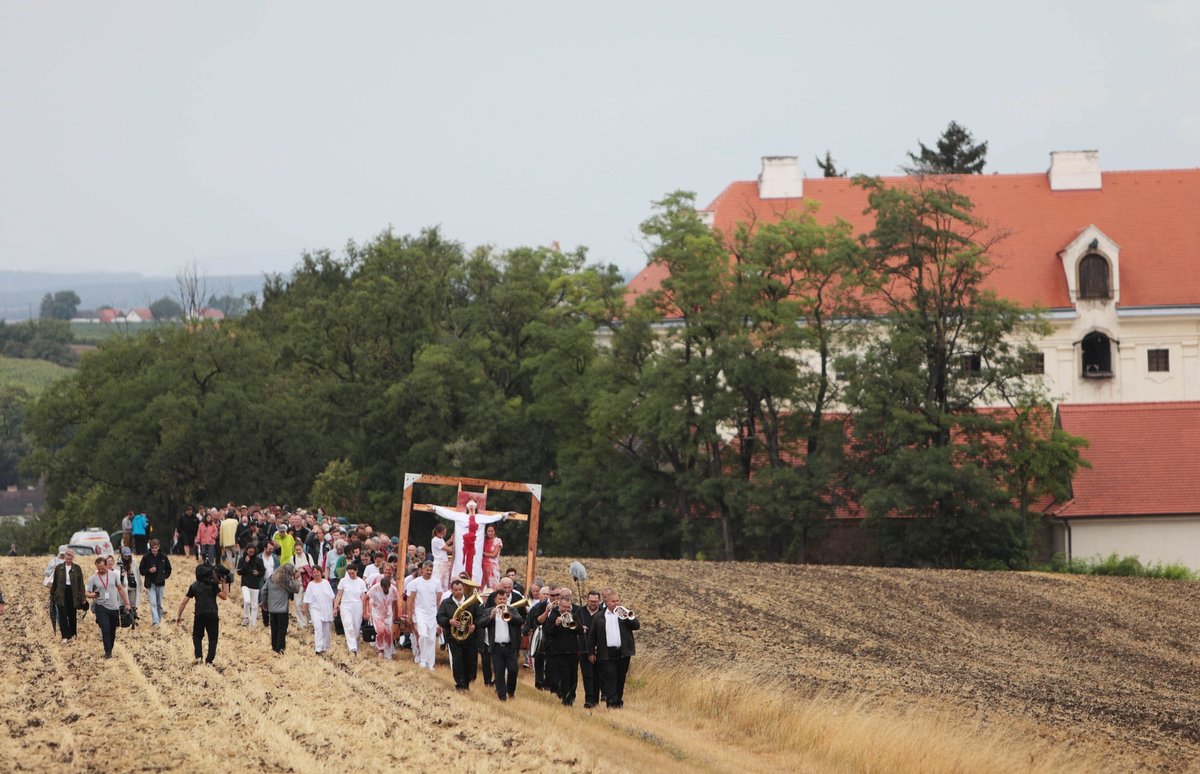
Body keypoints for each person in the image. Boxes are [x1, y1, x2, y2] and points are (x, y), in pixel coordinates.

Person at [430, 499, 512, 585]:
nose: (472, 506)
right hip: (463, 549)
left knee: (475, 570)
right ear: (467, 506)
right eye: (470, 503)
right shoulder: (460, 516)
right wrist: (435, 508)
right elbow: (447, 513)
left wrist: (505, 514)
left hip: (475, 549)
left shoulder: (481, 518)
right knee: (460, 567)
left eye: (473, 504)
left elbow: (493, 517)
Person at [587, 591, 640, 708]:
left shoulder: (623, 615)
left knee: (620, 678)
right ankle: (611, 702)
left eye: (617, 601)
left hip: (623, 652)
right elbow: (592, 637)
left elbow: (636, 626)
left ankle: (618, 700)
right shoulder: (599, 617)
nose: (616, 603)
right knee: (610, 677)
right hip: (606, 653)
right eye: (613, 601)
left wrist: (627, 616)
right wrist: (591, 652)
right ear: (606, 602)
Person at [481, 581, 525, 701]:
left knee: (513, 670)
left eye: (504, 599)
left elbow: (520, 620)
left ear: (507, 599)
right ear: (495, 600)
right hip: (496, 647)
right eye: (499, 599)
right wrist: (491, 616)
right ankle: (502, 697)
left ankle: (510, 692)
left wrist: (509, 614)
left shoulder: (511, 609)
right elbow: (481, 624)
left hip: (510, 647)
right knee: (499, 673)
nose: (502, 601)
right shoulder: (489, 611)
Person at [176, 564, 228, 665]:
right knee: (213, 638)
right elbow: (224, 596)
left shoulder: (194, 585)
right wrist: (224, 583)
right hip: (212, 614)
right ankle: (209, 660)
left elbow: (184, 602)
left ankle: (198, 656)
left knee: (197, 636)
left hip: (199, 615)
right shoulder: (213, 585)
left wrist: (179, 615)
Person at [544, 588, 585, 706]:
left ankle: (571, 696)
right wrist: (556, 624)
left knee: (573, 677)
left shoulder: (574, 615)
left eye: (568, 607)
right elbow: (548, 631)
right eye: (564, 607)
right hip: (559, 653)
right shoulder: (554, 616)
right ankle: (566, 700)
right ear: (559, 606)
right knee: (565, 676)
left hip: (572, 652)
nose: (566, 610)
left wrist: (574, 624)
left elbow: (581, 630)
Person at [437, 578, 480, 689]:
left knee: (470, 660)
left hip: (469, 638)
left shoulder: (471, 601)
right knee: (458, 660)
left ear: (463, 589)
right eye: (455, 590)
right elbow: (439, 617)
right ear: (452, 590)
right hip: (453, 638)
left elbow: (479, 616)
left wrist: (474, 625)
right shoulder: (446, 603)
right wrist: (449, 621)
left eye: (460, 589)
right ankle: (460, 684)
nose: (458, 592)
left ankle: (467, 682)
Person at [85, 555, 130, 659]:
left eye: (102, 568)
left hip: (114, 607)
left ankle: (110, 648)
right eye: (98, 568)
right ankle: (108, 652)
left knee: (112, 630)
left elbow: (120, 588)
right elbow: (87, 592)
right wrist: (91, 595)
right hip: (101, 607)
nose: (100, 570)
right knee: (105, 629)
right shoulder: (93, 578)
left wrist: (127, 603)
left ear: (106, 565)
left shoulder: (114, 575)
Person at [405, 561, 440, 669]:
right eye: (427, 570)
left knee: (431, 638)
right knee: (423, 635)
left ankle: (430, 663)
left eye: (430, 570)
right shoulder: (415, 583)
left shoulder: (436, 583)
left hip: (432, 613)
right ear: (422, 570)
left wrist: (439, 617)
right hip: (420, 612)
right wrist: (409, 616)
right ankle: (423, 659)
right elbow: (410, 601)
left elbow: (438, 601)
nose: (429, 572)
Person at [260, 564, 300, 654]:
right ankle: (280, 648)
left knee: (274, 628)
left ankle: (274, 647)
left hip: (272, 609)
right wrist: (295, 579)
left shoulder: (271, 578)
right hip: (282, 610)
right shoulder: (286, 580)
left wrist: (264, 603)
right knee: (282, 629)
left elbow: (263, 590)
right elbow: (296, 589)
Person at [50, 549, 86, 643]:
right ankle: (65, 636)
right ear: (64, 556)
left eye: (70, 555)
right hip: (61, 593)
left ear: (73, 557)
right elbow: (55, 582)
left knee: (72, 614)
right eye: (67, 555)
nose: (69, 557)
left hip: (73, 593)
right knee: (62, 615)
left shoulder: (77, 568)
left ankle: (73, 634)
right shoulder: (58, 568)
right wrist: (53, 594)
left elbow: (81, 584)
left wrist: (83, 598)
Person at [333, 563, 367, 656]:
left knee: (356, 629)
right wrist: (335, 607)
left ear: (356, 571)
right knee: (349, 626)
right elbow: (339, 594)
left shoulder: (361, 582)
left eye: (353, 573)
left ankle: (356, 647)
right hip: (345, 605)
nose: (351, 575)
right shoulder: (343, 581)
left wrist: (365, 610)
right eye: (349, 573)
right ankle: (352, 648)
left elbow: (363, 596)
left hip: (357, 605)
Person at [138, 538, 172, 626]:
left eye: (156, 548)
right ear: (150, 548)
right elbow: (141, 570)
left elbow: (169, 569)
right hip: (150, 584)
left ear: (158, 547)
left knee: (159, 604)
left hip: (160, 583)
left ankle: (158, 621)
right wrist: (149, 570)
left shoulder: (163, 557)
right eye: (152, 548)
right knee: (153, 603)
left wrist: (164, 576)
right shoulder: (146, 557)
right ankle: (156, 622)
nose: (154, 550)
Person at [302, 566, 335, 654]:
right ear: (312, 574)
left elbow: (332, 596)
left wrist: (335, 607)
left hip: (326, 608)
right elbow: (307, 597)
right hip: (315, 609)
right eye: (314, 572)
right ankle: (318, 648)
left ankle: (326, 647)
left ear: (321, 572)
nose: (316, 574)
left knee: (326, 629)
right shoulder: (311, 585)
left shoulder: (326, 583)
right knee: (318, 627)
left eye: (317, 572)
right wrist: (304, 607)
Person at [578, 590, 603, 707]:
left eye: (595, 601)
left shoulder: (603, 613)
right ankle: (589, 700)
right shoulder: (579, 612)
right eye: (591, 601)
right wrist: (579, 628)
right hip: (584, 649)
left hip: (600, 650)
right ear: (587, 600)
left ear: (599, 601)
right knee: (587, 675)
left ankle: (596, 701)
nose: (593, 603)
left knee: (598, 676)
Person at [366, 574, 399, 660]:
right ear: (381, 586)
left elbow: (395, 604)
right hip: (377, 612)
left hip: (388, 613)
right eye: (384, 588)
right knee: (380, 631)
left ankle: (388, 654)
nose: (386, 590)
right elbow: (365, 598)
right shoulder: (375, 588)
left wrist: (396, 615)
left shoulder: (394, 589)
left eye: (387, 588)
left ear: (389, 586)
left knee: (388, 633)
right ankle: (380, 650)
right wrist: (366, 611)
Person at [237, 544, 265, 628]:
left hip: (255, 585)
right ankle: (246, 617)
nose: (251, 553)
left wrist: (258, 573)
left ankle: (253, 624)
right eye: (249, 552)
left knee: (255, 605)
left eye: (253, 552)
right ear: (246, 551)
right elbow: (239, 572)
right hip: (245, 584)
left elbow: (263, 571)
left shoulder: (259, 560)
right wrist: (246, 562)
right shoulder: (242, 559)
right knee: (247, 601)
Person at [289, 544, 313, 627]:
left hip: (308, 583)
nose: (298, 551)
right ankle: (301, 623)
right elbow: (292, 571)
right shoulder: (293, 558)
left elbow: (312, 568)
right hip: (298, 584)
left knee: (307, 603)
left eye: (300, 549)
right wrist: (297, 572)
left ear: (302, 549)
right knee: (298, 603)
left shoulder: (308, 556)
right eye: (297, 550)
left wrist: (304, 569)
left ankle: (310, 620)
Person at [117, 547, 142, 626]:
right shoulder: (118, 563)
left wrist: (139, 584)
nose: (127, 558)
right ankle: (124, 620)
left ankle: (132, 620)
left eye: (128, 556)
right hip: (123, 586)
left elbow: (137, 575)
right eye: (125, 556)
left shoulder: (134, 563)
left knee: (132, 603)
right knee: (124, 602)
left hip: (133, 586)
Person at [431, 523, 451, 592]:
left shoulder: (440, 539)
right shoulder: (436, 540)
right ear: (438, 532)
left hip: (443, 563)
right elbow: (448, 549)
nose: (444, 534)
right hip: (440, 563)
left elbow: (444, 545)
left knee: (445, 582)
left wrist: (450, 540)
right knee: (440, 582)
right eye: (443, 533)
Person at [482, 523, 503, 589]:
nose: (490, 533)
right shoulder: (484, 539)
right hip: (483, 566)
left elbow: (494, 554)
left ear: (495, 531)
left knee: (493, 586)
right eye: (488, 531)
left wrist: (483, 553)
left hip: (492, 567)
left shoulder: (498, 541)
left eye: (492, 531)